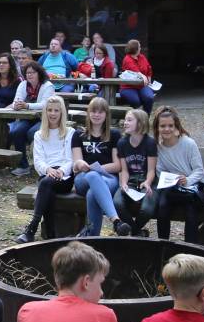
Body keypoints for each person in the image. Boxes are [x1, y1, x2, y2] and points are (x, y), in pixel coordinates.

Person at [17, 97, 76, 243]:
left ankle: (32, 228)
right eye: (49, 110)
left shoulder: (70, 132)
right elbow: (38, 161)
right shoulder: (39, 135)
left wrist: (61, 171)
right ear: (45, 112)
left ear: (62, 112)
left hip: (65, 177)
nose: (53, 113)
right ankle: (51, 234)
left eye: (56, 110)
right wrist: (48, 169)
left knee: (45, 185)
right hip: (46, 174)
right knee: (47, 186)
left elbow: (71, 159)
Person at [152, 107, 204, 242]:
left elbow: (199, 171)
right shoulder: (158, 147)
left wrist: (187, 180)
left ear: (176, 126)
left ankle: (190, 249)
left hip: (194, 185)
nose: (167, 129)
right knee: (163, 206)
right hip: (173, 186)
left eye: (170, 125)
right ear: (157, 128)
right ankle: (163, 246)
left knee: (190, 209)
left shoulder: (188, 143)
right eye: (163, 126)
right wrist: (173, 179)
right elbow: (160, 171)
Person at [71, 97, 124, 236]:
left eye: (101, 112)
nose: (96, 115)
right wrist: (80, 164)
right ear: (88, 113)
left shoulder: (114, 135)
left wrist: (97, 168)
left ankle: (92, 237)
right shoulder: (78, 134)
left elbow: (117, 165)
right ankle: (116, 220)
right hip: (83, 178)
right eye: (93, 111)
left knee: (92, 194)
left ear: (106, 114)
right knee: (93, 176)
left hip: (108, 178)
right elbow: (76, 162)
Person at [112, 107, 158, 236]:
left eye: (129, 120)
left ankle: (134, 232)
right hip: (131, 182)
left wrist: (148, 183)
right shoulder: (122, 143)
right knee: (117, 203)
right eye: (125, 120)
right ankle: (138, 233)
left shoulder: (149, 143)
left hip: (148, 182)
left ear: (140, 123)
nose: (125, 122)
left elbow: (151, 170)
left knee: (146, 210)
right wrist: (124, 183)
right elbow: (124, 170)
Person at [7, 62, 56, 176]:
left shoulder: (47, 85)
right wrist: (17, 105)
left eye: (32, 72)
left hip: (44, 119)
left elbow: (45, 104)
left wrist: (27, 105)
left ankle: (42, 164)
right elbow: (16, 100)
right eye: (27, 73)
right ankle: (23, 166)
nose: (29, 75)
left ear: (39, 73)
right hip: (26, 118)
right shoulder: (23, 85)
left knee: (32, 133)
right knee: (16, 132)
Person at [118, 39, 154, 111]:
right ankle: (135, 117)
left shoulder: (142, 57)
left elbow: (148, 67)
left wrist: (149, 77)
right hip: (128, 87)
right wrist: (143, 76)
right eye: (139, 47)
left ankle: (146, 117)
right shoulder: (127, 59)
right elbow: (134, 70)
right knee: (135, 101)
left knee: (149, 97)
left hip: (142, 85)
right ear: (135, 49)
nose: (140, 48)